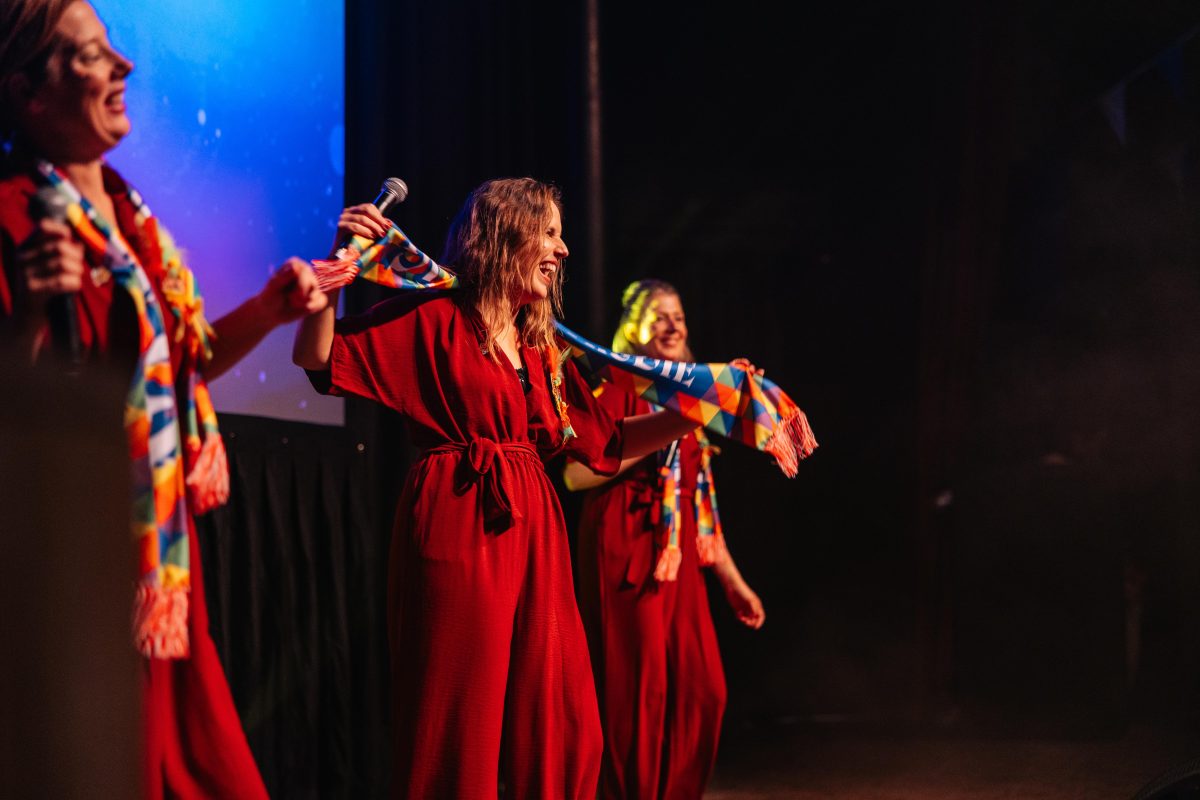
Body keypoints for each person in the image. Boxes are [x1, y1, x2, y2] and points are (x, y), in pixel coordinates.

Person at [0, 2, 328, 797]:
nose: (126, 66)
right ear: (27, 94)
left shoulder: (129, 216)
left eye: (114, 48)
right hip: (72, 561)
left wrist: (270, 310)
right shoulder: (12, 213)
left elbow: (183, 367)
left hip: (157, 559)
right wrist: (30, 311)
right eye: (91, 56)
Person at [293, 179, 702, 799]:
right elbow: (318, 357)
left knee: (563, 710)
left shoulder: (540, 347)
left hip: (535, 525)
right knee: (461, 711)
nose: (562, 249)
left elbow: (608, 442)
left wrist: (703, 410)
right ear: (505, 234)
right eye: (549, 232)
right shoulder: (434, 316)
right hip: (460, 511)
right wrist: (334, 271)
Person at [563, 278, 767, 800]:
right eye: (660, 316)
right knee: (638, 694)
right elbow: (575, 476)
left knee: (705, 689)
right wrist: (665, 427)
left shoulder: (691, 394)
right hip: (626, 547)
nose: (673, 326)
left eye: (679, 316)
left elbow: (700, 501)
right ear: (634, 327)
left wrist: (732, 581)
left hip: (678, 559)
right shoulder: (614, 387)